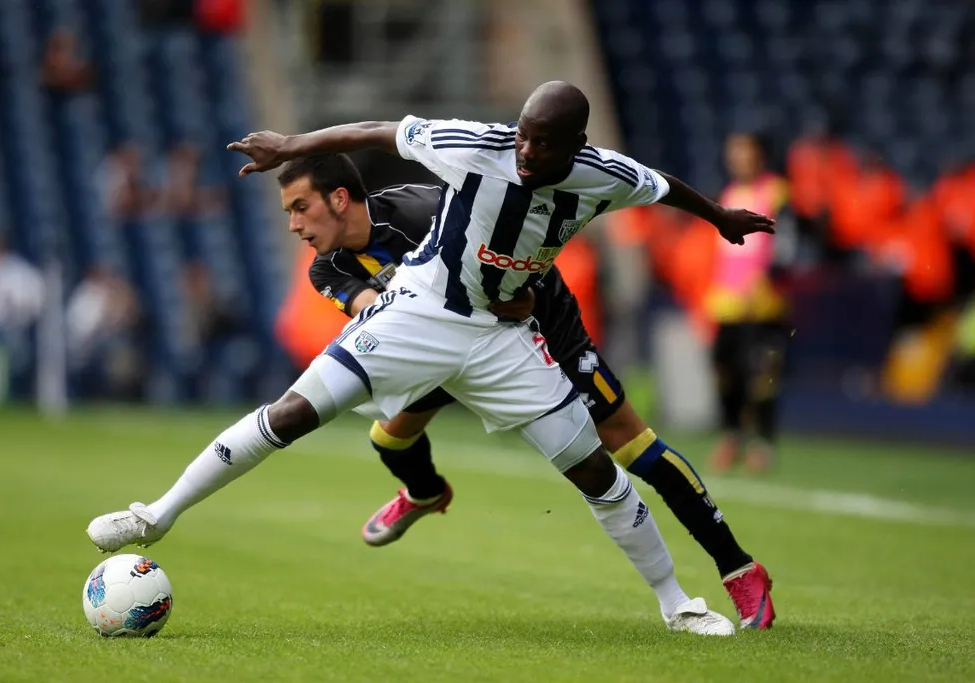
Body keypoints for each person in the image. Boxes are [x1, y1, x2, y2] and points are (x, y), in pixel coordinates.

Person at [87, 81, 773, 635]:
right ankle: (157, 514)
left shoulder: (603, 175)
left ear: (575, 145)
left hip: (517, 329)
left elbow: (660, 182)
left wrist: (719, 217)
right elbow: (378, 131)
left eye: (543, 143)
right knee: (299, 412)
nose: (526, 150)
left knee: (597, 465)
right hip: (426, 308)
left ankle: (678, 602)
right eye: (523, 135)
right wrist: (293, 144)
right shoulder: (471, 148)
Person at [285, 153, 775, 630]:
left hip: (541, 322)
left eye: (299, 208)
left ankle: (739, 569)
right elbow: (380, 312)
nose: (293, 225)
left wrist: (525, 296)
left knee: (630, 444)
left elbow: (510, 244)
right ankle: (425, 492)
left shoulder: (420, 209)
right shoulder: (326, 268)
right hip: (447, 340)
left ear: (340, 199)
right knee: (389, 437)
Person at [705, 133, 791, 474]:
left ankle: (763, 443)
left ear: (760, 156)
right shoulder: (727, 195)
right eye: (734, 153)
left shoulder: (778, 192)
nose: (738, 159)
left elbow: (789, 243)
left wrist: (769, 277)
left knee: (763, 375)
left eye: (745, 152)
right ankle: (732, 436)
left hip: (764, 303)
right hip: (726, 303)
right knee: (726, 373)